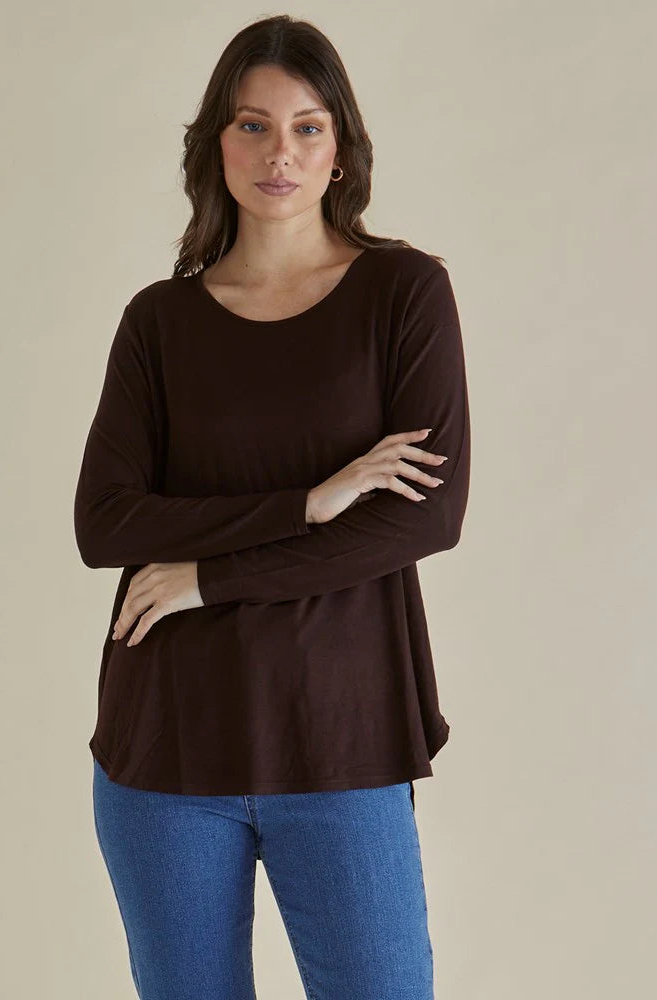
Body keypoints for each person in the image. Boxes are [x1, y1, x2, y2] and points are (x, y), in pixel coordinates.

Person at [74, 14, 471, 1000]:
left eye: (306, 127)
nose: (278, 153)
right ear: (216, 143)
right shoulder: (159, 321)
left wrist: (209, 579)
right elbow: (106, 523)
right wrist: (309, 502)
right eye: (252, 125)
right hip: (165, 748)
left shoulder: (402, 293)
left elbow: (422, 517)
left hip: (341, 738)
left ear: (340, 148)